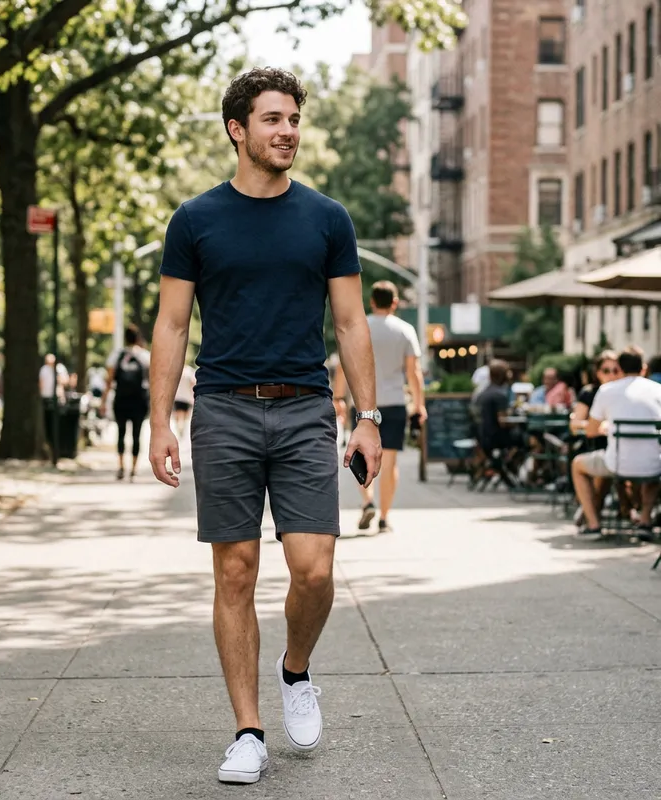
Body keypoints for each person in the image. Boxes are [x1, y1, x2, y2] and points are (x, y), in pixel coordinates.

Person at [148, 68, 382, 785]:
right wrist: (161, 419)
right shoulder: (195, 220)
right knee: (236, 571)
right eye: (273, 119)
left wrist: (368, 417)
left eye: (293, 119)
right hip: (223, 409)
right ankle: (247, 731)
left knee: (314, 570)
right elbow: (172, 322)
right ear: (237, 129)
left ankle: (296, 668)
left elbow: (349, 321)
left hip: (307, 408)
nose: (287, 131)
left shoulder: (326, 218)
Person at [333, 280, 426, 533]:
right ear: (395, 303)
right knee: (390, 462)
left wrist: (339, 397)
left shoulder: (360, 327)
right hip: (395, 403)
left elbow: (343, 365)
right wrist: (419, 404)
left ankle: (368, 502)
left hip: (363, 404)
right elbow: (413, 372)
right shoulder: (405, 331)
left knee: (361, 458)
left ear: (371, 302)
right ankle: (384, 518)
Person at [571, 346, 661, 538]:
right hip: (654, 464)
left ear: (619, 368)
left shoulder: (607, 391)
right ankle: (645, 521)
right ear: (644, 368)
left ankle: (593, 525)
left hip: (618, 463)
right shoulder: (658, 390)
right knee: (652, 466)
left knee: (577, 465)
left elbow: (591, 432)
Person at [105, 324, 151, 481]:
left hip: (121, 400)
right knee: (137, 434)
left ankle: (120, 466)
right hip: (139, 401)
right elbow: (152, 379)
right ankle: (134, 468)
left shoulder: (117, 355)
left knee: (121, 433)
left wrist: (104, 400)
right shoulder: (145, 356)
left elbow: (109, 380)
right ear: (138, 338)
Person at [172, 363, 197, 437]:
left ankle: (179, 427)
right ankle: (181, 427)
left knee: (178, 414)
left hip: (177, 397)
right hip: (186, 397)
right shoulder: (189, 371)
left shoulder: (176, 371)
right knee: (184, 415)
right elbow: (193, 384)